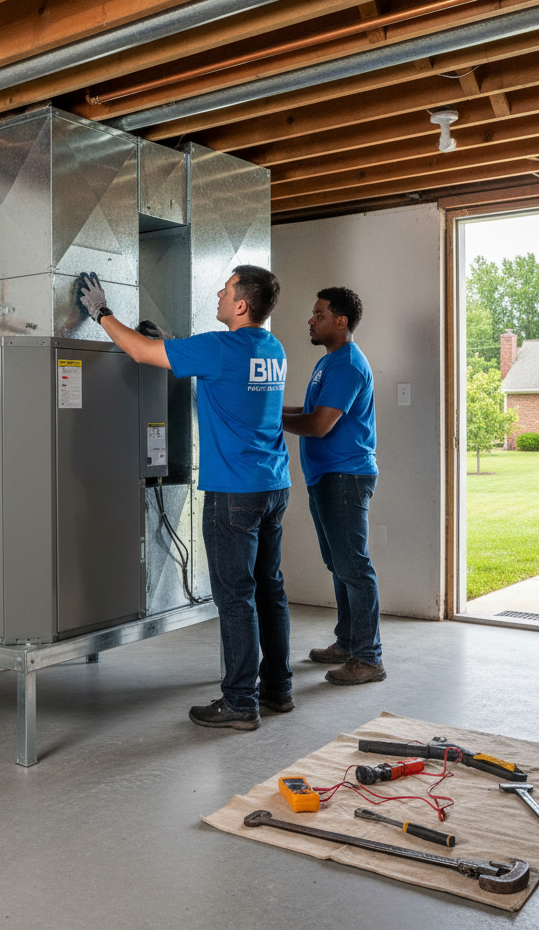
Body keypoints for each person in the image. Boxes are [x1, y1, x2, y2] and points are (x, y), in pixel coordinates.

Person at [79, 266, 291, 731]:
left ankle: (240, 701)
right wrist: (175, 343)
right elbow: (229, 383)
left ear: (240, 305)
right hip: (273, 486)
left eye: (226, 287)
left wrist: (102, 313)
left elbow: (136, 350)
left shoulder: (217, 348)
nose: (218, 292)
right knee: (268, 589)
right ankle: (277, 688)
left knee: (235, 598)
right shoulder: (272, 349)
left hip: (233, 492)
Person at [282, 286, 385, 685]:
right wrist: (267, 407)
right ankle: (348, 642)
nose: (311, 319)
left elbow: (319, 424)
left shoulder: (346, 366)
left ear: (340, 321)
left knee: (354, 567)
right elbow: (309, 412)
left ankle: (368, 657)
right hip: (327, 476)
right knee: (339, 565)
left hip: (345, 476)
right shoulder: (329, 363)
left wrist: (269, 420)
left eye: (319, 314)